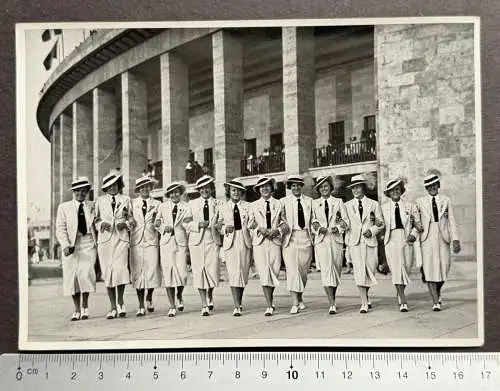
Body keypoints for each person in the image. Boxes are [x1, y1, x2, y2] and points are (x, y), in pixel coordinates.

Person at [415, 173, 461, 311]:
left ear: (438, 186)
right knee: (429, 269)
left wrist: (455, 239)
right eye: (429, 186)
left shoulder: (446, 200)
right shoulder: (420, 202)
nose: (432, 188)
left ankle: (438, 292)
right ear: (426, 188)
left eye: (434, 185)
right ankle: (436, 301)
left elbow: (451, 220)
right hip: (427, 238)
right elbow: (416, 220)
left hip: (443, 237)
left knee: (444, 268)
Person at [55, 177, 97, 321]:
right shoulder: (64, 207)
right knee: (72, 277)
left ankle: (85, 306)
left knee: (86, 274)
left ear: (87, 192)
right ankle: (77, 309)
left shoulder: (93, 205)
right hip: (71, 245)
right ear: (73, 192)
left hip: (88, 243)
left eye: (83, 191)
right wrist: (65, 245)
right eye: (77, 191)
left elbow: (98, 221)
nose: (80, 194)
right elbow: (60, 229)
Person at [95, 170, 135, 319]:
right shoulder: (99, 201)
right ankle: (112, 307)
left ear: (119, 185)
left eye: (115, 185)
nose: (113, 187)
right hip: (105, 241)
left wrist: (123, 223)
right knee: (108, 273)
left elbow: (131, 218)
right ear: (106, 187)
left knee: (121, 270)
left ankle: (120, 302)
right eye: (110, 185)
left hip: (121, 239)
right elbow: (95, 220)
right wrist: (101, 224)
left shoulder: (126, 199)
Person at [344, 174, 385, 313]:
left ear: (363, 187)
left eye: (358, 187)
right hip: (355, 242)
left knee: (370, 271)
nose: (355, 190)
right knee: (359, 272)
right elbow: (345, 224)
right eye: (353, 188)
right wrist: (341, 224)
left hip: (370, 242)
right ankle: (363, 302)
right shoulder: (347, 206)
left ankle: (365, 296)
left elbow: (380, 223)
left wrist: (372, 231)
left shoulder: (374, 204)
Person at [311, 175, 349, 315]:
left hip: (336, 240)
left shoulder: (338, 202)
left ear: (331, 188)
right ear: (318, 190)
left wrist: (338, 228)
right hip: (322, 241)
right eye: (321, 187)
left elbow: (345, 221)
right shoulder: (314, 204)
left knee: (336, 269)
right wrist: (317, 228)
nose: (324, 189)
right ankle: (331, 303)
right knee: (326, 271)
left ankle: (333, 297)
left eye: (326, 186)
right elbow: (312, 221)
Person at [248, 176, 286, 316]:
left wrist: (278, 231)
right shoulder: (253, 205)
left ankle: (270, 298)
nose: (264, 188)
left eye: (267, 186)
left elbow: (285, 222)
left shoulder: (279, 204)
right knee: (264, 272)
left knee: (274, 271)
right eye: (261, 187)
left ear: (272, 188)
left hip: (275, 241)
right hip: (260, 242)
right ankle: (269, 304)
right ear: (258, 190)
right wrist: (260, 229)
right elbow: (249, 224)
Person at [184, 175, 222, 316]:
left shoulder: (219, 203)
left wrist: (219, 225)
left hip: (213, 240)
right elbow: (186, 223)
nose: (205, 190)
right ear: (199, 189)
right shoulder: (191, 204)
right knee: (199, 272)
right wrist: (198, 224)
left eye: (207, 187)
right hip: (197, 242)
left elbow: (224, 220)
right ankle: (204, 304)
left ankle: (210, 294)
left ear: (211, 188)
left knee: (212, 271)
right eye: (202, 188)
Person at [381, 178, 420, 312]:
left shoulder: (411, 206)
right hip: (391, 239)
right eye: (392, 190)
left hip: (406, 238)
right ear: (389, 193)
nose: (395, 192)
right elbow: (380, 225)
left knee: (406, 268)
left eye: (397, 189)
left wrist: (413, 235)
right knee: (396, 270)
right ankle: (403, 300)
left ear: (401, 191)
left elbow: (418, 224)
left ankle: (400, 292)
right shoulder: (384, 208)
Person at [155, 181, 190, 317]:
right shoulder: (163, 207)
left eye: (177, 192)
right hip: (166, 243)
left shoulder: (186, 207)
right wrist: (163, 227)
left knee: (182, 273)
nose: (174, 194)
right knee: (168, 274)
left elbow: (188, 223)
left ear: (180, 193)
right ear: (168, 194)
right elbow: (157, 223)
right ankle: (172, 305)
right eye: (172, 192)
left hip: (180, 242)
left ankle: (179, 295)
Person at [218, 179, 252, 316]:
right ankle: (236, 305)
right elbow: (218, 226)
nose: (236, 192)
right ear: (229, 192)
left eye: (238, 190)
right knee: (233, 273)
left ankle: (240, 300)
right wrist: (225, 228)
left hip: (244, 241)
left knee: (242, 273)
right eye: (233, 190)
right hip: (230, 242)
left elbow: (251, 223)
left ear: (242, 192)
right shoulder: (222, 207)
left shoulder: (248, 206)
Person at [280, 174, 314, 314]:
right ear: (290, 187)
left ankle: (300, 297)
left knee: (303, 272)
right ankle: (294, 303)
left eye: (298, 185)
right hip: (290, 238)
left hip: (306, 237)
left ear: (302, 186)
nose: (296, 187)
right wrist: (283, 224)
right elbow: (279, 218)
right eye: (293, 185)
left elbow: (314, 219)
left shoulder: (310, 201)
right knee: (293, 270)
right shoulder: (283, 201)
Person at [129, 175, 162, 316]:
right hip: (136, 241)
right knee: (138, 273)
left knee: (152, 270)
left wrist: (158, 223)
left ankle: (150, 295)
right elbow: (126, 216)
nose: (145, 189)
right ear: (138, 189)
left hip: (151, 240)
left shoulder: (158, 204)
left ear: (151, 188)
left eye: (147, 186)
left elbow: (160, 219)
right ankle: (141, 304)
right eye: (142, 187)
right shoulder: (132, 203)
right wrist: (129, 219)